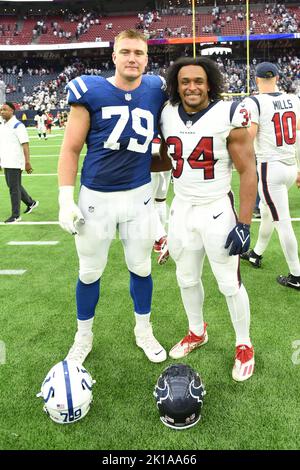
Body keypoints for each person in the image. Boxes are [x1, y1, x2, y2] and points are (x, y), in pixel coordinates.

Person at [57, 29, 167, 365]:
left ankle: (143, 330)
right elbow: (71, 148)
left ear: (147, 58)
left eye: (139, 52)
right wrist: (64, 197)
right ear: (114, 56)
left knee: (141, 268)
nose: (133, 58)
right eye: (126, 52)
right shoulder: (90, 89)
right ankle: (83, 336)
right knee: (90, 271)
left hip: (139, 197)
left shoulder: (155, 88)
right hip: (97, 199)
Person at [158, 57, 257, 381]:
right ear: (176, 84)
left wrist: (243, 223)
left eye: (198, 81)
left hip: (216, 208)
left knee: (229, 283)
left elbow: (247, 171)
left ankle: (244, 343)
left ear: (210, 83)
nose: (192, 87)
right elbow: (168, 160)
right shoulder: (167, 113)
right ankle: (197, 331)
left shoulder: (228, 114)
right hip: (181, 209)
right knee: (185, 278)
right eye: (185, 81)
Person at [241, 62, 300, 291]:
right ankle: (256, 253)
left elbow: (250, 135)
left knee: (281, 222)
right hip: (288, 166)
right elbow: (297, 134)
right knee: (266, 212)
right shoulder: (293, 99)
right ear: (277, 77)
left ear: (256, 79)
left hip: (270, 168)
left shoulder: (254, 101)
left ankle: (296, 274)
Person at [0, 102, 39, 223]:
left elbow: (25, 144)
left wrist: (27, 162)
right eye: (1, 110)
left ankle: (16, 215)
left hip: (15, 161)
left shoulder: (18, 126)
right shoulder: (3, 125)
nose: (2, 112)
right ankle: (30, 202)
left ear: (12, 111)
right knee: (14, 186)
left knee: (13, 188)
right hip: (7, 161)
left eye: (4, 110)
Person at [151, 135, 171, 265]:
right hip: (167, 163)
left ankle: (162, 238)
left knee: (146, 205)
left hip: (151, 166)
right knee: (160, 201)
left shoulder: (155, 115)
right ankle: (158, 242)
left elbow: (154, 148)